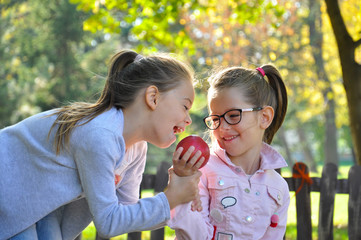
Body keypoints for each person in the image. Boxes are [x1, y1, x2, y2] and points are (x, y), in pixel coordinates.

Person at [0, 49, 203, 240]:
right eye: (185, 106)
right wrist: (169, 199)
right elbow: (109, 221)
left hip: (33, 205)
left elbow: (127, 215)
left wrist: (176, 196)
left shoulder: (137, 148)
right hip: (7, 190)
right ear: (153, 97)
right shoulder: (100, 134)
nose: (188, 119)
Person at [168, 65, 290, 239]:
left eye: (233, 115)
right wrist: (182, 184)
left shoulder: (278, 188)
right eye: (215, 118)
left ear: (265, 117)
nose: (223, 127)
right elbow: (194, 236)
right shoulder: (200, 172)